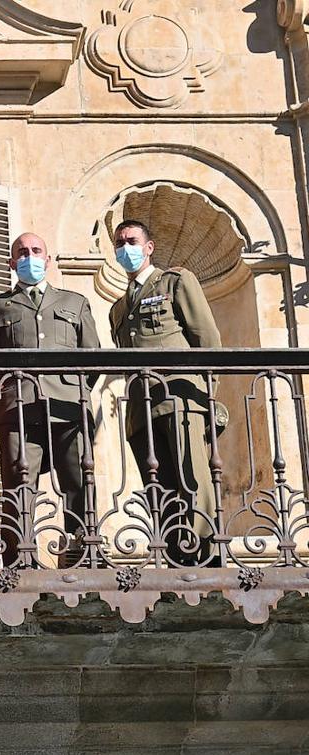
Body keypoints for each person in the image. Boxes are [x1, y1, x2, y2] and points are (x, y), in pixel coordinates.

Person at [0, 232, 100, 568]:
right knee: (20, 484)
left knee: (78, 480)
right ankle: (20, 560)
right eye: (22, 252)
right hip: (19, 409)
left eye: (36, 251)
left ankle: (82, 554)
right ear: (12, 263)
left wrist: (74, 389)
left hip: (68, 407)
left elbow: (92, 358)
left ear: (47, 259)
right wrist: (10, 391)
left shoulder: (75, 302)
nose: (29, 256)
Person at [109, 219, 222, 566]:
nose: (125, 248)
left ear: (148, 247)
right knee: (159, 488)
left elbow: (208, 339)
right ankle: (175, 555)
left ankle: (206, 555)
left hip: (180, 397)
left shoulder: (174, 282)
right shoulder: (118, 307)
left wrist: (208, 396)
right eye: (119, 243)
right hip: (141, 411)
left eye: (131, 241)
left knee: (194, 481)